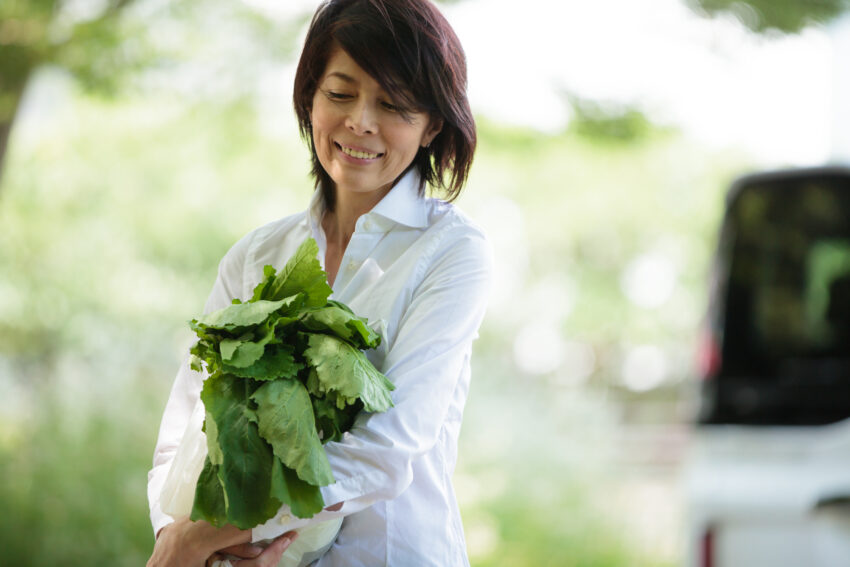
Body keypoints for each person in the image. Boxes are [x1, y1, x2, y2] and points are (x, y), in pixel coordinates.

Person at [146, 0, 491, 565]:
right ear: (309, 96)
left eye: (394, 103)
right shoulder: (256, 255)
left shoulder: (451, 252)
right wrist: (172, 535)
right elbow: (186, 424)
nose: (360, 121)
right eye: (340, 92)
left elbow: (389, 447)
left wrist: (210, 534)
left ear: (432, 124)